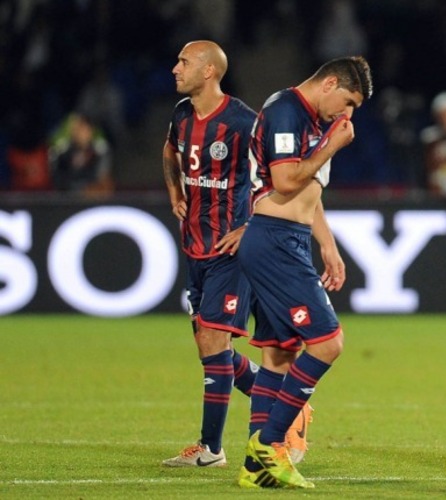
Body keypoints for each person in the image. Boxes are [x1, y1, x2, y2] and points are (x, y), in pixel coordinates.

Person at [160, 40, 325, 469]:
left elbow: (279, 178)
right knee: (208, 347)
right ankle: (291, 406)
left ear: (210, 71)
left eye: (184, 62)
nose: (176, 68)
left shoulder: (242, 122)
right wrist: (175, 190)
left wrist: (251, 227)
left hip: (233, 251)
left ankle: (211, 448)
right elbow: (168, 151)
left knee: (214, 340)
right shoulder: (181, 114)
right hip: (195, 244)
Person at [236, 56, 373, 489]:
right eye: (348, 101)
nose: (347, 114)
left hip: (289, 237)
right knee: (328, 343)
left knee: (278, 354)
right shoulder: (285, 111)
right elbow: (284, 182)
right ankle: (271, 442)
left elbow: (308, 191)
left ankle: (255, 470)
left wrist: (327, 244)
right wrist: (332, 146)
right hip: (273, 239)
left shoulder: (310, 120)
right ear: (329, 83)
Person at [49, 112, 114, 196]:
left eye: (85, 129)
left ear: (91, 131)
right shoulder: (62, 152)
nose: (82, 133)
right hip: (67, 198)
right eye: (78, 129)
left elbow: (102, 178)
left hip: (93, 197)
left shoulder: (100, 151)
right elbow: (58, 180)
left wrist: (89, 189)